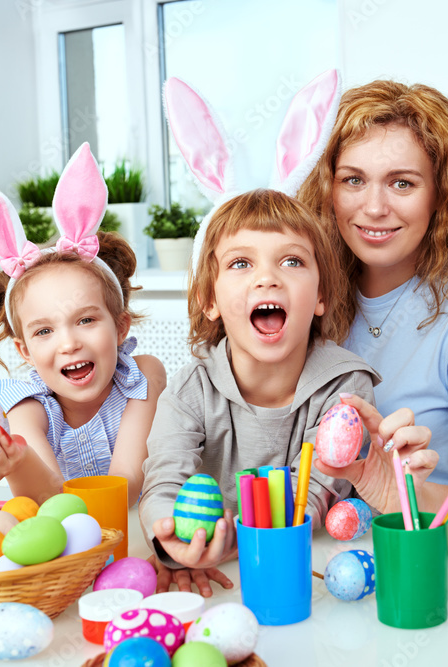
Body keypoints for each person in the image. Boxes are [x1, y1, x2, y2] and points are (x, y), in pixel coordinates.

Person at [138, 189, 380, 594]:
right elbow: (164, 481)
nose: (267, 277)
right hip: (220, 579)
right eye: (240, 263)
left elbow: (316, 495)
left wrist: (237, 541)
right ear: (208, 300)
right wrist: (172, 540)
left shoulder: (345, 386)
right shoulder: (188, 390)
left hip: (308, 570)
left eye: (292, 261)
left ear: (320, 296)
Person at [297, 80, 448, 535]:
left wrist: (382, 482)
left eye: (402, 183)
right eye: (353, 180)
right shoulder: (304, 297)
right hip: (313, 546)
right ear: (327, 189)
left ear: (442, 195)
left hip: (429, 554)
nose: (374, 207)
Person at [0, 144, 166, 507]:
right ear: (24, 351)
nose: (68, 344)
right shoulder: (27, 407)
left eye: (86, 320)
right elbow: (49, 507)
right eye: (44, 331)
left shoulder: (141, 376)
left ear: (121, 327)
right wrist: (16, 461)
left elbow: (125, 487)